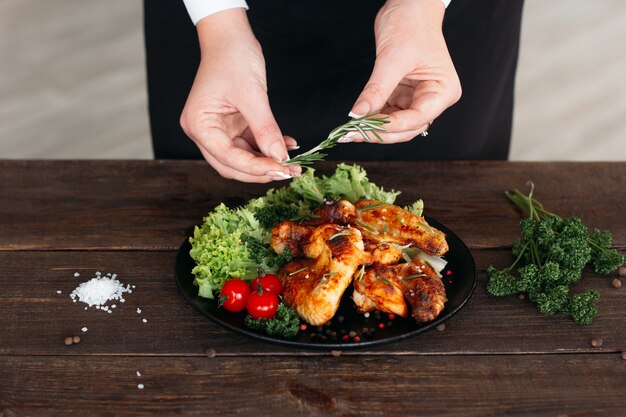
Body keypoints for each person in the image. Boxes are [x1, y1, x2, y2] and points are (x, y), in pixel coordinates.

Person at [144, 0, 525, 183]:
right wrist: (218, 25)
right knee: (204, 189)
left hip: (438, 21)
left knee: (449, 197)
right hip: (215, 21)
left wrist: (422, 6)